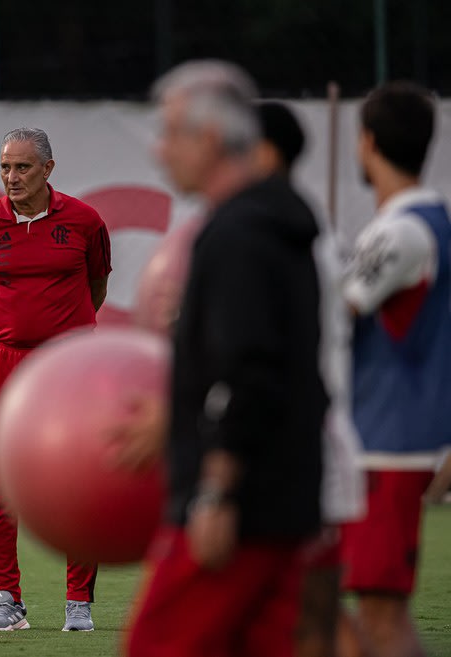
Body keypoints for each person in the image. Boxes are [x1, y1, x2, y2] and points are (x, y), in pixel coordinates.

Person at [119, 60, 327, 657]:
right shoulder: (275, 219)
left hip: (241, 509)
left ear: (207, 139)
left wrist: (216, 492)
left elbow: (248, 370)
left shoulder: (239, 233)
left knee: (158, 645)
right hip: (284, 500)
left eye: (168, 133)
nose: (159, 152)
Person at [0, 127, 112, 632]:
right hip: (5, 362)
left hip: (70, 365)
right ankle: (6, 600)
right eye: (5, 167)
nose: (12, 177)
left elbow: (97, 286)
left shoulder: (86, 222)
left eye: (22, 167)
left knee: (79, 480)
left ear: (48, 169)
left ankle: (78, 603)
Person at [339, 81, 451, 657]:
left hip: (388, 441)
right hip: (382, 438)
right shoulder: (426, 222)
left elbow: (335, 320)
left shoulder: (401, 229)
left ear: (369, 142)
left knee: (381, 618)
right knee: (322, 605)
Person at [255, 101, 368, 657]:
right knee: (314, 621)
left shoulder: (287, 235)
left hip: (301, 455)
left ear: (265, 153)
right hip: (310, 451)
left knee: (312, 620)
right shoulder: (303, 228)